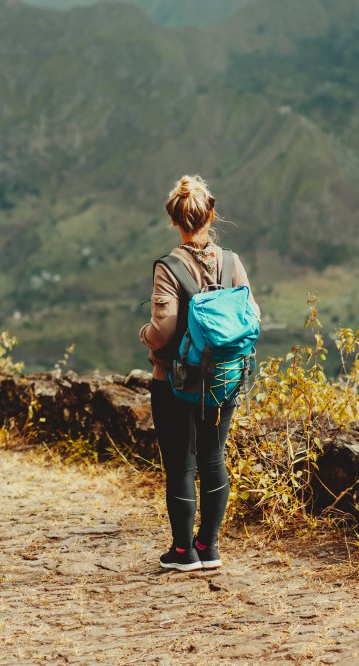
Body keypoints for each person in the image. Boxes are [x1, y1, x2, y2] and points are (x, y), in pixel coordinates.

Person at [137, 174, 250, 572]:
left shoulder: (169, 267)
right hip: (223, 380)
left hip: (174, 380)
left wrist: (145, 336)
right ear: (211, 215)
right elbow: (249, 318)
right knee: (213, 458)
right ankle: (210, 546)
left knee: (181, 464)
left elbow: (164, 327)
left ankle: (184, 552)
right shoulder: (232, 263)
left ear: (175, 220)